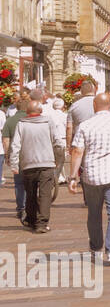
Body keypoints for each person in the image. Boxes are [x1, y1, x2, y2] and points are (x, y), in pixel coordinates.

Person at [68, 93, 110, 267]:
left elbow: (77, 151)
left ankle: (95, 248)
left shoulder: (85, 125)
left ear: (94, 106)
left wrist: (72, 176)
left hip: (92, 175)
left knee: (94, 213)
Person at [10, 99, 58, 232]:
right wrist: (58, 158)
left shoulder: (22, 124)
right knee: (45, 194)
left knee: (30, 193)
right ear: (41, 111)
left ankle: (31, 220)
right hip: (47, 163)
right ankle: (41, 223)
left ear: (27, 112)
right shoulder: (48, 122)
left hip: (28, 164)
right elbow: (57, 141)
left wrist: (14, 164)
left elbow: (15, 146)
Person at [47, 97, 69, 185]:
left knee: (56, 159)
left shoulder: (49, 115)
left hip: (52, 139)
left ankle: (61, 176)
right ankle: (58, 177)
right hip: (62, 139)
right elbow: (68, 128)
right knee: (61, 159)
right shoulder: (64, 115)